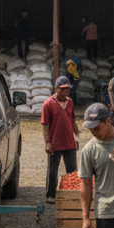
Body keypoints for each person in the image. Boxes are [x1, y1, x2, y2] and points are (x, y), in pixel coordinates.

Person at [41, 76, 80, 204]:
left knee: (72, 170)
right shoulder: (48, 104)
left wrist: (77, 137)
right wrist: (47, 142)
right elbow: (45, 124)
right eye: (63, 89)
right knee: (53, 170)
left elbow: (72, 120)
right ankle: (50, 194)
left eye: (68, 89)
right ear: (57, 89)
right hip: (55, 143)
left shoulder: (70, 102)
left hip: (69, 142)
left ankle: (72, 193)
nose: (66, 91)